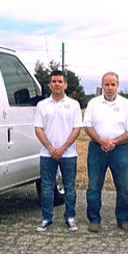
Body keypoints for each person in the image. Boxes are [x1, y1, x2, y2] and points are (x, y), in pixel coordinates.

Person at [83, 71, 128, 233]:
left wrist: (113, 142)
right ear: (102, 86)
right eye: (106, 84)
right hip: (97, 149)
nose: (109, 88)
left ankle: (123, 220)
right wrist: (102, 141)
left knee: (123, 187)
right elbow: (87, 126)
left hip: (120, 150)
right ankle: (94, 220)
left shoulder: (126, 104)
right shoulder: (93, 103)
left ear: (117, 86)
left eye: (113, 84)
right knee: (94, 186)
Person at [34, 70, 82, 232]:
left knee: (69, 187)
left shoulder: (74, 105)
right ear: (49, 84)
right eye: (54, 81)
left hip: (68, 154)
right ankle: (47, 218)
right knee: (46, 187)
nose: (57, 84)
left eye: (60, 81)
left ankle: (70, 217)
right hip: (47, 154)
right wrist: (50, 148)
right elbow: (38, 129)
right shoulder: (42, 105)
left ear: (65, 84)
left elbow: (76, 129)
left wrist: (62, 148)